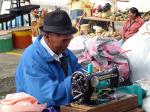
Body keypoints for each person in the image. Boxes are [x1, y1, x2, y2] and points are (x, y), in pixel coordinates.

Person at [15, 9, 82, 110]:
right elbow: (47, 98)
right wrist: (75, 81)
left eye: (69, 39)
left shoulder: (64, 52)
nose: (68, 43)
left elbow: (78, 70)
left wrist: (88, 75)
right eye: (65, 40)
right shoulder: (32, 60)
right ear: (47, 36)